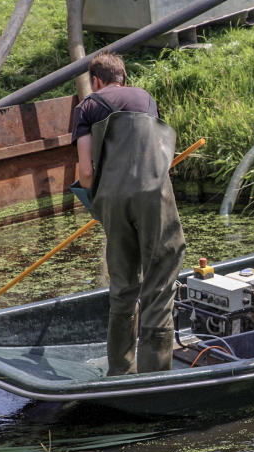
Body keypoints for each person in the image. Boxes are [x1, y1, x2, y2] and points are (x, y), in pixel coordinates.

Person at [71, 52, 185, 375]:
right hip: (153, 194)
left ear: (95, 82)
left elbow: (87, 172)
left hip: (112, 199)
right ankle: (155, 378)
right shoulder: (145, 98)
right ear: (123, 77)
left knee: (122, 286)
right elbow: (155, 152)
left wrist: (99, 205)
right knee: (160, 278)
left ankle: (121, 372)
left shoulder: (87, 107)